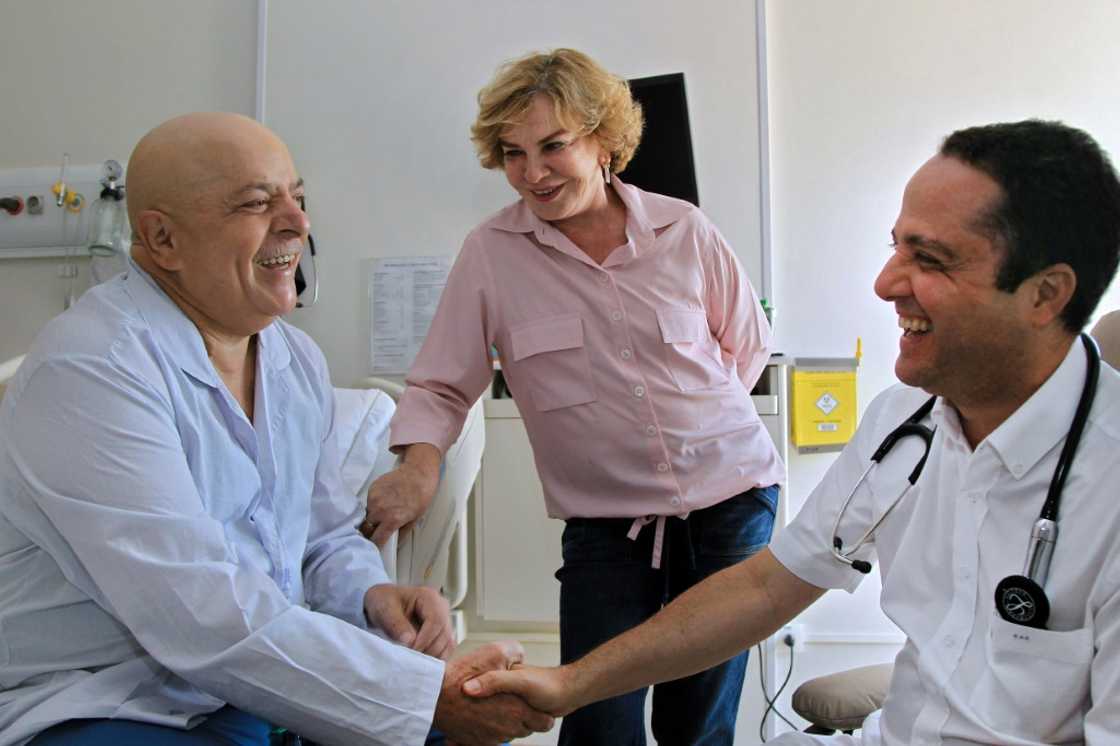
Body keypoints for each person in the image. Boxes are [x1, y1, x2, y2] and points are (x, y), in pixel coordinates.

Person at [461, 119, 1120, 745]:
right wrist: (567, 684)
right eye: (897, 247)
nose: (886, 283)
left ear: (1045, 295)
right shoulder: (904, 424)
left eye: (933, 260)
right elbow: (766, 586)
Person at [0, 112, 552, 746]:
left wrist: (373, 594)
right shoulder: (92, 370)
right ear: (162, 239)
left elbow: (318, 533)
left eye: (298, 196)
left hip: (247, 683)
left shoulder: (292, 360)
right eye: (257, 203)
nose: (298, 222)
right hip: (105, 699)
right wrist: (423, 697)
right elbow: (197, 613)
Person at [365, 48, 783, 745]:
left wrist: (688, 430)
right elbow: (442, 383)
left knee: (698, 719)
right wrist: (418, 467)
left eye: (553, 146)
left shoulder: (684, 230)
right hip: (607, 529)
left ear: (603, 140)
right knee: (596, 723)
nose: (533, 172)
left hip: (732, 503)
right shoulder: (491, 255)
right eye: (512, 153)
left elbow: (747, 347)